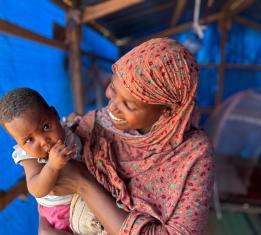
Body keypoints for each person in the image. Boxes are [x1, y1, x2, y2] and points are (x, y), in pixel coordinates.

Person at [41, 37, 214, 235]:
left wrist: (84, 184)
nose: (112, 107)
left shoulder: (194, 154)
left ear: (167, 111)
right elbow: (52, 182)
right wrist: (45, 224)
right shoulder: (97, 123)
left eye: (129, 105)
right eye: (113, 89)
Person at [0, 88, 104, 234]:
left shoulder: (66, 129)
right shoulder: (29, 157)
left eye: (46, 126)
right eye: (29, 140)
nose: (43, 141)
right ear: (19, 144)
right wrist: (52, 166)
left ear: (54, 114)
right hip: (61, 214)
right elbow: (36, 189)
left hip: (88, 195)